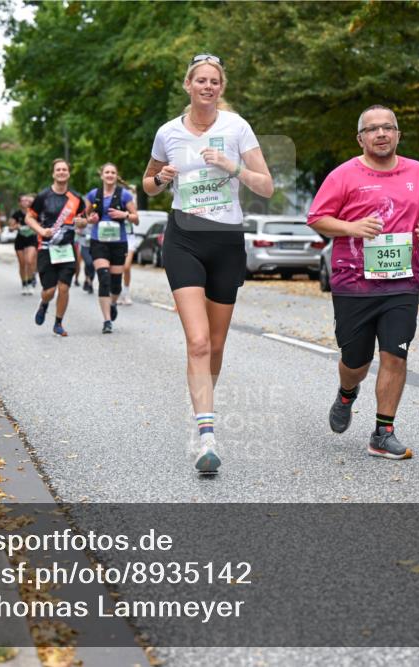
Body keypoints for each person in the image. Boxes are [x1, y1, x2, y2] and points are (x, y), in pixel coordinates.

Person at [142, 54, 273, 473]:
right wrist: (162, 180)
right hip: (184, 239)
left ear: (222, 87)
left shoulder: (237, 128)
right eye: (200, 80)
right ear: (187, 85)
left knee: (215, 345)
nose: (208, 86)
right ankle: (206, 437)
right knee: (197, 341)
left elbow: (266, 186)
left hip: (226, 241)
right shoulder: (168, 133)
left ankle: (203, 411)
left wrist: (232, 165)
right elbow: (148, 184)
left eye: (214, 81)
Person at [308, 105, 419, 460]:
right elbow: (317, 218)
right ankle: (346, 393)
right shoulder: (343, 175)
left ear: (398, 134)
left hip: (402, 281)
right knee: (356, 360)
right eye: (373, 129)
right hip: (354, 283)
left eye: (388, 128)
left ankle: (383, 432)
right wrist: (351, 228)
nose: (381, 134)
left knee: (395, 355)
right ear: (361, 137)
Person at [28, 159, 89, 337]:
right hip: (47, 248)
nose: (61, 172)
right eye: (58, 169)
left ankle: (58, 323)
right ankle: (44, 304)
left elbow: (83, 221)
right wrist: (41, 230)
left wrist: (82, 222)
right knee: (49, 290)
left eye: (64, 169)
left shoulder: (76, 198)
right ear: (53, 173)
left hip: (67, 249)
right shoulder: (43, 196)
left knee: (64, 288)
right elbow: (29, 218)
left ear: (68, 173)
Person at [85, 163, 138, 333]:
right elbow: (84, 216)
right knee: (104, 278)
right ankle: (107, 320)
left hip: (118, 242)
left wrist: (125, 215)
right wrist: (90, 219)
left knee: (116, 285)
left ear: (116, 176)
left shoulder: (125, 195)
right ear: (102, 175)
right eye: (107, 172)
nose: (109, 175)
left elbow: (136, 219)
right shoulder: (93, 194)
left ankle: (113, 302)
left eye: (112, 172)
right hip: (98, 241)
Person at [10, 194, 38, 295]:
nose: (25, 202)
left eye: (27, 200)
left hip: (31, 239)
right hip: (20, 240)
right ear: (20, 203)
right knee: (22, 264)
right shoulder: (16, 214)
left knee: (29, 261)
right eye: (23, 200)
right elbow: (10, 227)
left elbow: (40, 224)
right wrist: (16, 226)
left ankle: (30, 282)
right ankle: (24, 283)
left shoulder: (33, 213)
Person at [119, 184, 140, 305]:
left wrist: (134, 193)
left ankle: (126, 293)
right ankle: (117, 291)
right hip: (116, 236)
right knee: (116, 267)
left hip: (130, 237)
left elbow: (136, 215)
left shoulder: (130, 203)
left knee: (126, 267)